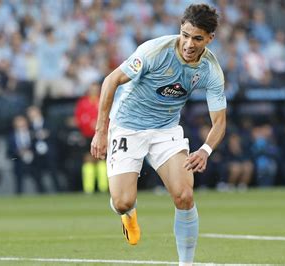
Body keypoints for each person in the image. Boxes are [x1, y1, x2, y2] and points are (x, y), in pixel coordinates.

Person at [90, 4, 227, 265]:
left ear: (210, 38)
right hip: (128, 126)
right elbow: (110, 81)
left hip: (166, 130)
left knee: (185, 196)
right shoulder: (155, 51)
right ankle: (127, 215)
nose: (188, 44)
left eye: (197, 38)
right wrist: (101, 131)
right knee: (122, 201)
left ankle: (186, 263)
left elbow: (219, 121)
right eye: (185, 35)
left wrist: (205, 150)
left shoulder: (210, 69)